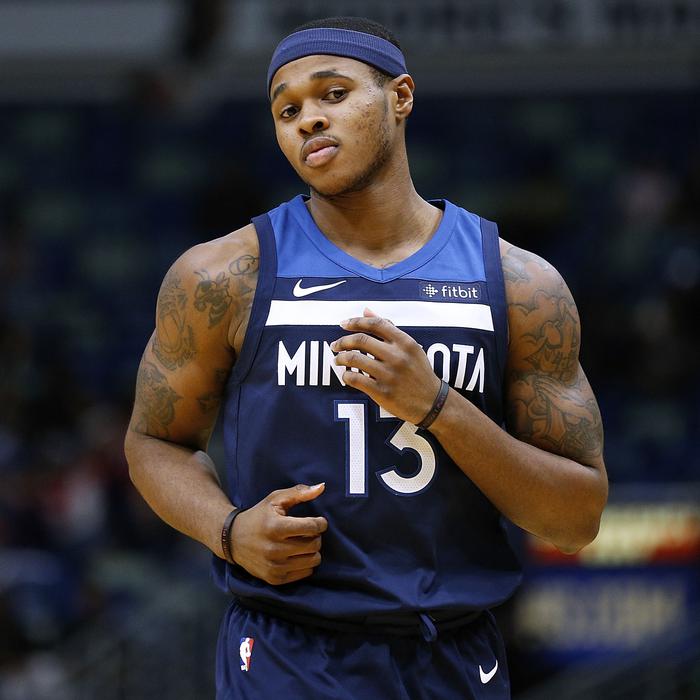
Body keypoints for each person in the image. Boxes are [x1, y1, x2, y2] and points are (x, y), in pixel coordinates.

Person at [124, 16, 608, 699]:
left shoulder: (520, 285)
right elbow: (152, 441)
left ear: (400, 96)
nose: (309, 120)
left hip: (454, 651)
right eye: (287, 110)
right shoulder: (222, 276)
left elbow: (576, 519)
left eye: (333, 93)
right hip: (287, 650)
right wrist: (228, 531)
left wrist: (438, 407)